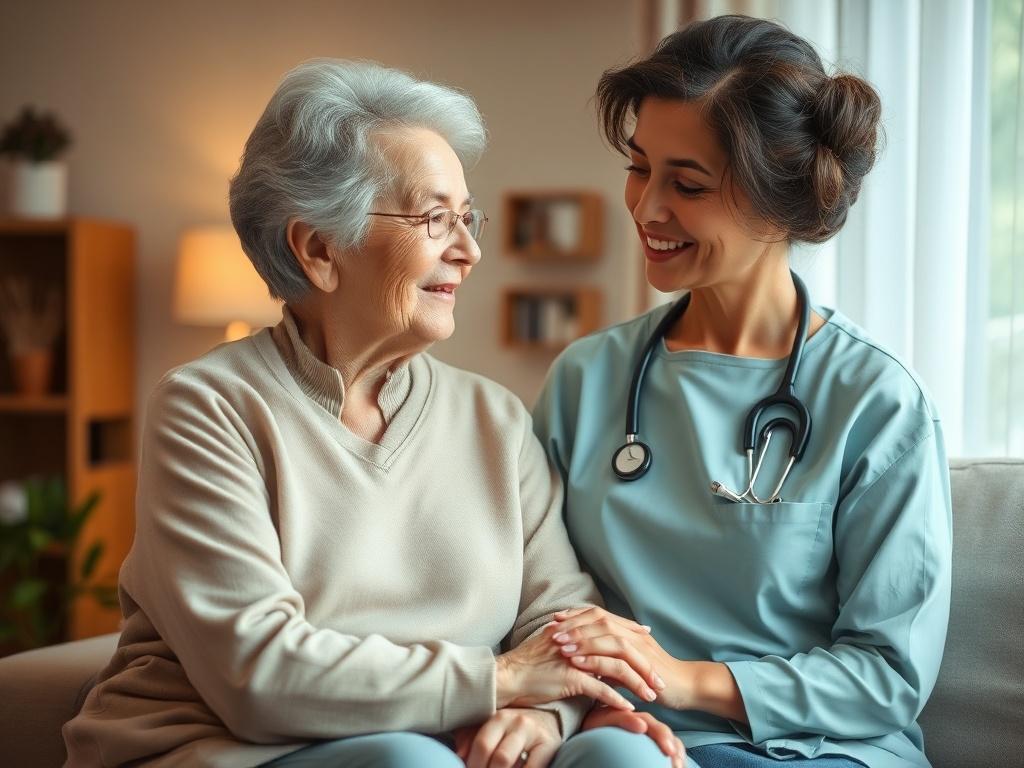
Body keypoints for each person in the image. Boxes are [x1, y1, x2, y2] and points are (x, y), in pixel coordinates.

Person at [62, 59, 675, 768]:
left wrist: (546, 713)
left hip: (445, 738)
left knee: (623, 761)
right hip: (235, 749)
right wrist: (496, 682)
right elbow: (257, 673)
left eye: (467, 218)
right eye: (434, 219)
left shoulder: (493, 420)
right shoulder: (208, 409)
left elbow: (561, 620)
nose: (470, 250)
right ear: (319, 248)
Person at [532, 15, 952, 768]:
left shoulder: (876, 402)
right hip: (627, 741)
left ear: (781, 199)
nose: (647, 208)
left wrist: (685, 680)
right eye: (639, 167)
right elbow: (532, 597)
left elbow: (888, 675)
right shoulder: (586, 381)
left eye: (687, 184)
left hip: (818, 750)